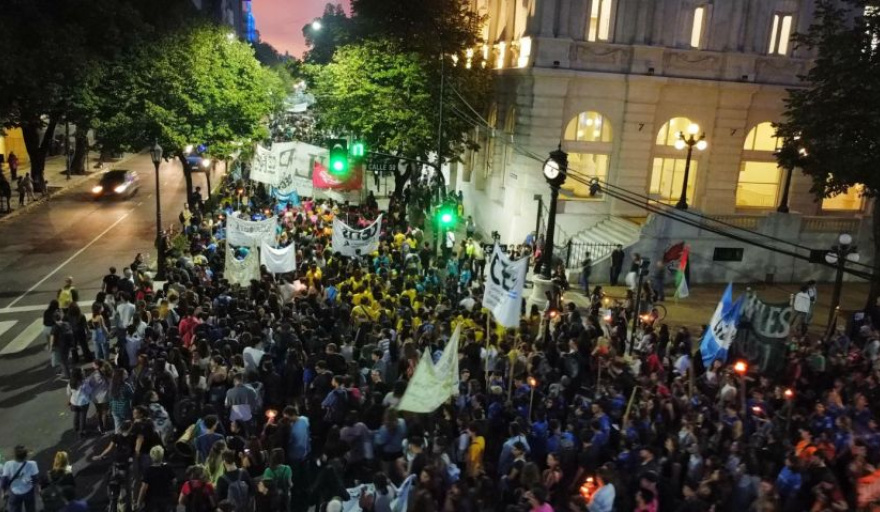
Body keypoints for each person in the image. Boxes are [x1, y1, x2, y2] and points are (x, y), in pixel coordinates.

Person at [0, 445, 40, 512]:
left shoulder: (8, 464)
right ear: (26, 455)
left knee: (14, 509)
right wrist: (37, 489)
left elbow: (4, 480)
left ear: (14, 455)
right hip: (28, 491)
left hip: (14, 492)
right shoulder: (32, 464)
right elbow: (35, 479)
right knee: (30, 508)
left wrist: (3, 492)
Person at [136, 446, 176, 512]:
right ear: (162, 455)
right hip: (166, 500)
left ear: (151, 456)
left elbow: (144, 488)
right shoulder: (168, 468)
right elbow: (174, 481)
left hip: (152, 502)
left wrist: (139, 502)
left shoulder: (148, 471)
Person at [66, 368, 90, 438]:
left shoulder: (70, 383)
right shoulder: (84, 382)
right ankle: (82, 431)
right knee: (83, 417)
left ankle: (75, 427)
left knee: (76, 415)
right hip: (83, 402)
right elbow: (89, 391)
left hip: (74, 402)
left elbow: (68, 393)